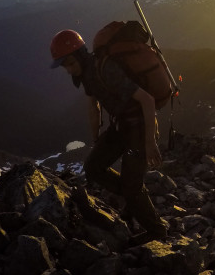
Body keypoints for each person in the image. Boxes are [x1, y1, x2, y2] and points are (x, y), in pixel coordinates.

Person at [49, 29, 168, 242]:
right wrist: (97, 141)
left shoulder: (106, 69)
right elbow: (93, 107)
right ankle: (133, 199)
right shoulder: (87, 74)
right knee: (93, 167)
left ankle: (157, 230)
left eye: (68, 64)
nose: (67, 70)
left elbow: (147, 101)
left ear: (79, 56)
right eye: (65, 66)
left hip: (139, 128)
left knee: (132, 186)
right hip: (121, 126)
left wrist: (150, 143)